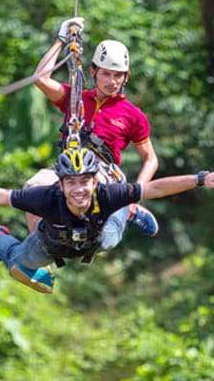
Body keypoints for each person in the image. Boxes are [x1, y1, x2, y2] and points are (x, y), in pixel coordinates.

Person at [0, 147, 214, 295]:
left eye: (85, 182)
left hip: (96, 236)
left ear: (94, 182)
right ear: (62, 183)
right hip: (52, 240)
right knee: (18, 263)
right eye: (72, 183)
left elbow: (153, 187)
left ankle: (130, 211)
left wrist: (200, 178)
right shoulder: (45, 197)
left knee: (112, 236)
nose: (80, 189)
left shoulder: (106, 193)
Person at [26, 17, 160, 240]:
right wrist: (61, 40)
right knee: (33, 191)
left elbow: (151, 159)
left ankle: (129, 210)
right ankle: (40, 247)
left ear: (126, 77)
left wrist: (136, 193)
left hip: (102, 174)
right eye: (106, 73)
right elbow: (40, 78)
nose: (112, 81)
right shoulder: (74, 96)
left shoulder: (133, 115)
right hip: (69, 170)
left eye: (118, 75)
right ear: (93, 71)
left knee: (89, 212)